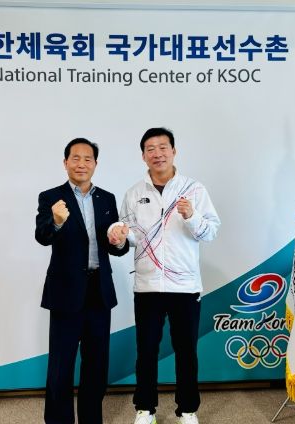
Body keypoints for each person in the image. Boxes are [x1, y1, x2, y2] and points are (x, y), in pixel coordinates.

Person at [108, 128, 220, 424]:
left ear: (173, 151)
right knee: (146, 350)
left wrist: (191, 216)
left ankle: (188, 410)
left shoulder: (194, 189)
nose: (157, 154)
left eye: (162, 147)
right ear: (143, 155)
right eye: (150, 149)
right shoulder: (134, 193)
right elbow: (130, 234)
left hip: (185, 286)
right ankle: (145, 409)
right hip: (147, 285)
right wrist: (120, 237)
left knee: (186, 351)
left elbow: (210, 232)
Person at [35, 137, 129, 424]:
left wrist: (119, 241)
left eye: (88, 159)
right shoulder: (51, 197)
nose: (81, 164)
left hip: (99, 291)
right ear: (65, 163)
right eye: (75, 158)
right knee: (61, 365)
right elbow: (42, 236)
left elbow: (116, 245)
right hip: (65, 292)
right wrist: (57, 221)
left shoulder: (107, 199)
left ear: (95, 164)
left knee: (96, 365)